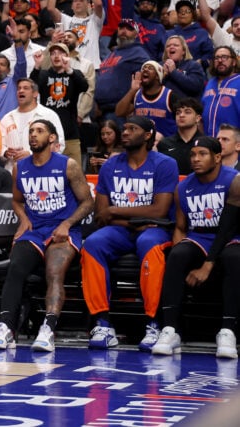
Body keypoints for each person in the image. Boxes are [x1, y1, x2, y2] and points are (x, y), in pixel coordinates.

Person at [0, 120, 94, 352]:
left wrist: (67, 223)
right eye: (31, 131)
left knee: (54, 272)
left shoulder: (69, 165)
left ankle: (48, 329)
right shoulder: (20, 167)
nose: (34, 135)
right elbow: (17, 200)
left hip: (62, 230)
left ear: (52, 138)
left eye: (40, 131)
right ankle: (6, 328)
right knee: (15, 267)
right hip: (35, 230)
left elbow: (88, 202)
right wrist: (24, 220)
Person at [81, 116, 179, 351]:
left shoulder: (165, 164)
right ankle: (102, 323)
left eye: (132, 129)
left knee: (150, 245)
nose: (124, 133)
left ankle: (153, 323)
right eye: (124, 129)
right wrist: (136, 220)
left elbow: (160, 210)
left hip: (155, 230)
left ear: (147, 136)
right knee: (92, 244)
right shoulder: (111, 166)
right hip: (124, 229)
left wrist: (116, 210)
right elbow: (102, 214)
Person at [153, 137, 239, 356]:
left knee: (233, 257)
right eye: (192, 154)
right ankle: (171, 329)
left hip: (231, 237)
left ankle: (228, 331)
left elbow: (228, 229)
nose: (195, 159)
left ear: (218, 157)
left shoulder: (234, 180)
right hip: (199, 237)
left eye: (202, 154)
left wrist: (207, 266)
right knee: (178, 253)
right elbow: (181, 227)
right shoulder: (183, 187)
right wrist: (177, 253)